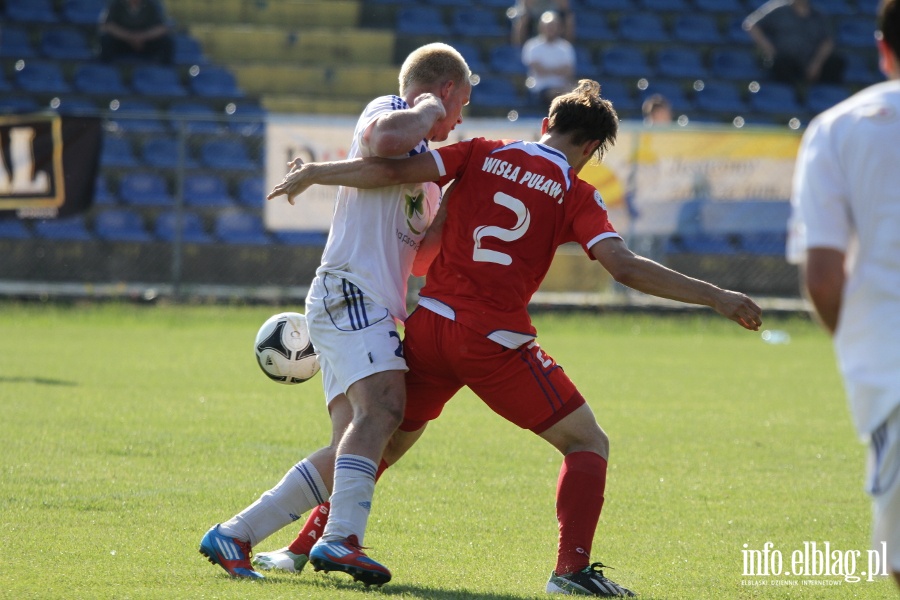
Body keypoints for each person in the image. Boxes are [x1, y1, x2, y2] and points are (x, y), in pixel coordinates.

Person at [267, 79, 763, 597]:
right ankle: (570, 573)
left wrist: (319, 173)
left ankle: (302, 548)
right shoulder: (575, 191)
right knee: (587, 442)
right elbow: (625, 268)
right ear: (591, 149)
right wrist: (716, 296)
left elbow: (391, 170)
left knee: (380, 439)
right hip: (492, 342)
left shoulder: (483, 151)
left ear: (546, 124)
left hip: (430, 325)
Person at [198, 42, 472, 586]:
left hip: (366, 301)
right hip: (349, 290)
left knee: (353, 440)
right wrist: (429, 111)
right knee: (387, 408)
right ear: (443, 91)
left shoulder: (427, 169)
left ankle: (235, 534)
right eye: (460, 101)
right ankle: (342, 539)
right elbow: (381, 141)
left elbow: (417, 256)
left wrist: (453, 208)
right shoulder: (391, 109)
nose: (460, 115)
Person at [787, 0, 900, 588]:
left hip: (891, 370)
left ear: (883, 50)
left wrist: (864, 345)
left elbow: (825, 277)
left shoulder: (837, 129)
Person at [743, 0, 845, 85]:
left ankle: (827, 99)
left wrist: (816, 64)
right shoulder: (778, 10)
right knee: (781, 65)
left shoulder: (818, 14)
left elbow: (828, 41)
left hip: (811, 60)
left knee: (836, 63)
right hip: (787, 61)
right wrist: (769, 49)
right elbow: (752, 26)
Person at [522, 11, 577, 112]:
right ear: (541, 27)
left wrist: (548, 70)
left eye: (553, 26)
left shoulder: (565, 47)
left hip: (563, 87)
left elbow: (569, 71)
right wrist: (559, 70)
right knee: (558, 94)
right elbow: (539, 70)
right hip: (540, 88)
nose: (550, 29)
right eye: (548, 26)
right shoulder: (532, 46)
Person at [98, 0, 174, 65]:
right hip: (122, 43)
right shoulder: (116, 4)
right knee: (105, 39)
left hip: (146, 43)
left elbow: (162, 27)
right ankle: (106, 71)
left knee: (167, 41)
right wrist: (131, 37)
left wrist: (142, 37)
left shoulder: (152, 4)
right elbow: (107, 26)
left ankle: (163, 72)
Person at [510, 0, 576, 46]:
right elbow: (525, 6)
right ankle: (518, 47)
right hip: (533, 18)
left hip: (554, 17)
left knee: (569, 19)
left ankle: (567, 47)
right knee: (522, 19)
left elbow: (565, 8)